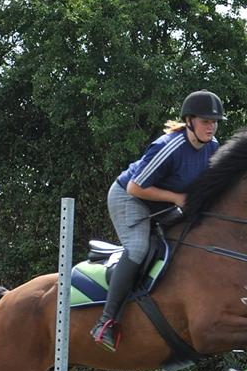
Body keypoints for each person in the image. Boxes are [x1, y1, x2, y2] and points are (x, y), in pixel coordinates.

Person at [90, 89, 226, 351]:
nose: (211, 126)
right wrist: (176, 198)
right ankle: (106, 322)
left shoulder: (213, 147)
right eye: (205, 121)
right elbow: (135, 187)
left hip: (163, 201)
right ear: (189, 121)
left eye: (215, 121)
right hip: (128, 198)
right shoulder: (168, 147)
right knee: (139, 248)